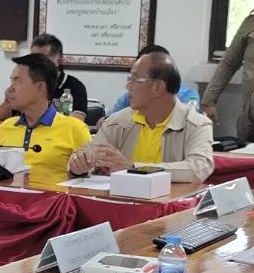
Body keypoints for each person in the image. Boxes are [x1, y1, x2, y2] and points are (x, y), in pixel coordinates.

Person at [69, 47, 214, 182]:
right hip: (122, 198)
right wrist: (78, 164)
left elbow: (198, 168)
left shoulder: (196, 124)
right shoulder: (118, 121)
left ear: (157, 87)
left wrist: (134, 168)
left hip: (172, 200)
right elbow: (87, 153)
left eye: (134, 80)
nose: (128, 86)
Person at [0, 52, 91, 187]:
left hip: (52, 198)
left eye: (18, 81)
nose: (9, 90)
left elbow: (89, 179)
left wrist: (79, 170)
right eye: (11, 81)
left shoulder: (74, 128)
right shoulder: (6, 127)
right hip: (9, 197)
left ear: (40, 87)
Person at [0, 33, 87, 121]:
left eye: (42, 59)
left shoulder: (75, 86)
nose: (35, 64)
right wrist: (8, 99)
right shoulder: (25, 83)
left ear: (59, 61)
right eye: (32, 58)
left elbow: (78, 120)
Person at [109, 44, 199, 114]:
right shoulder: (130, 95)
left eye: (136, 78)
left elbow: (185, 120)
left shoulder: (188, 95)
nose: (128, 86)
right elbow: (109, 118)